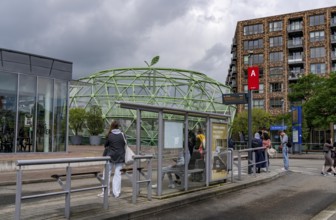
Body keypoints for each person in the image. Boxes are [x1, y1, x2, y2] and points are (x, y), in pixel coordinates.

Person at [98, 120, 126, 198]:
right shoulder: (122, 135)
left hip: (110, 156)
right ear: (118, 126)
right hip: (120, 156)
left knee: (106, 174)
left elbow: (105, 145)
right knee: (118, 174)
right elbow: (124, 144)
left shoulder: (109, 135)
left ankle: (106, 192)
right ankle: (116, 193)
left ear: (112, 126)